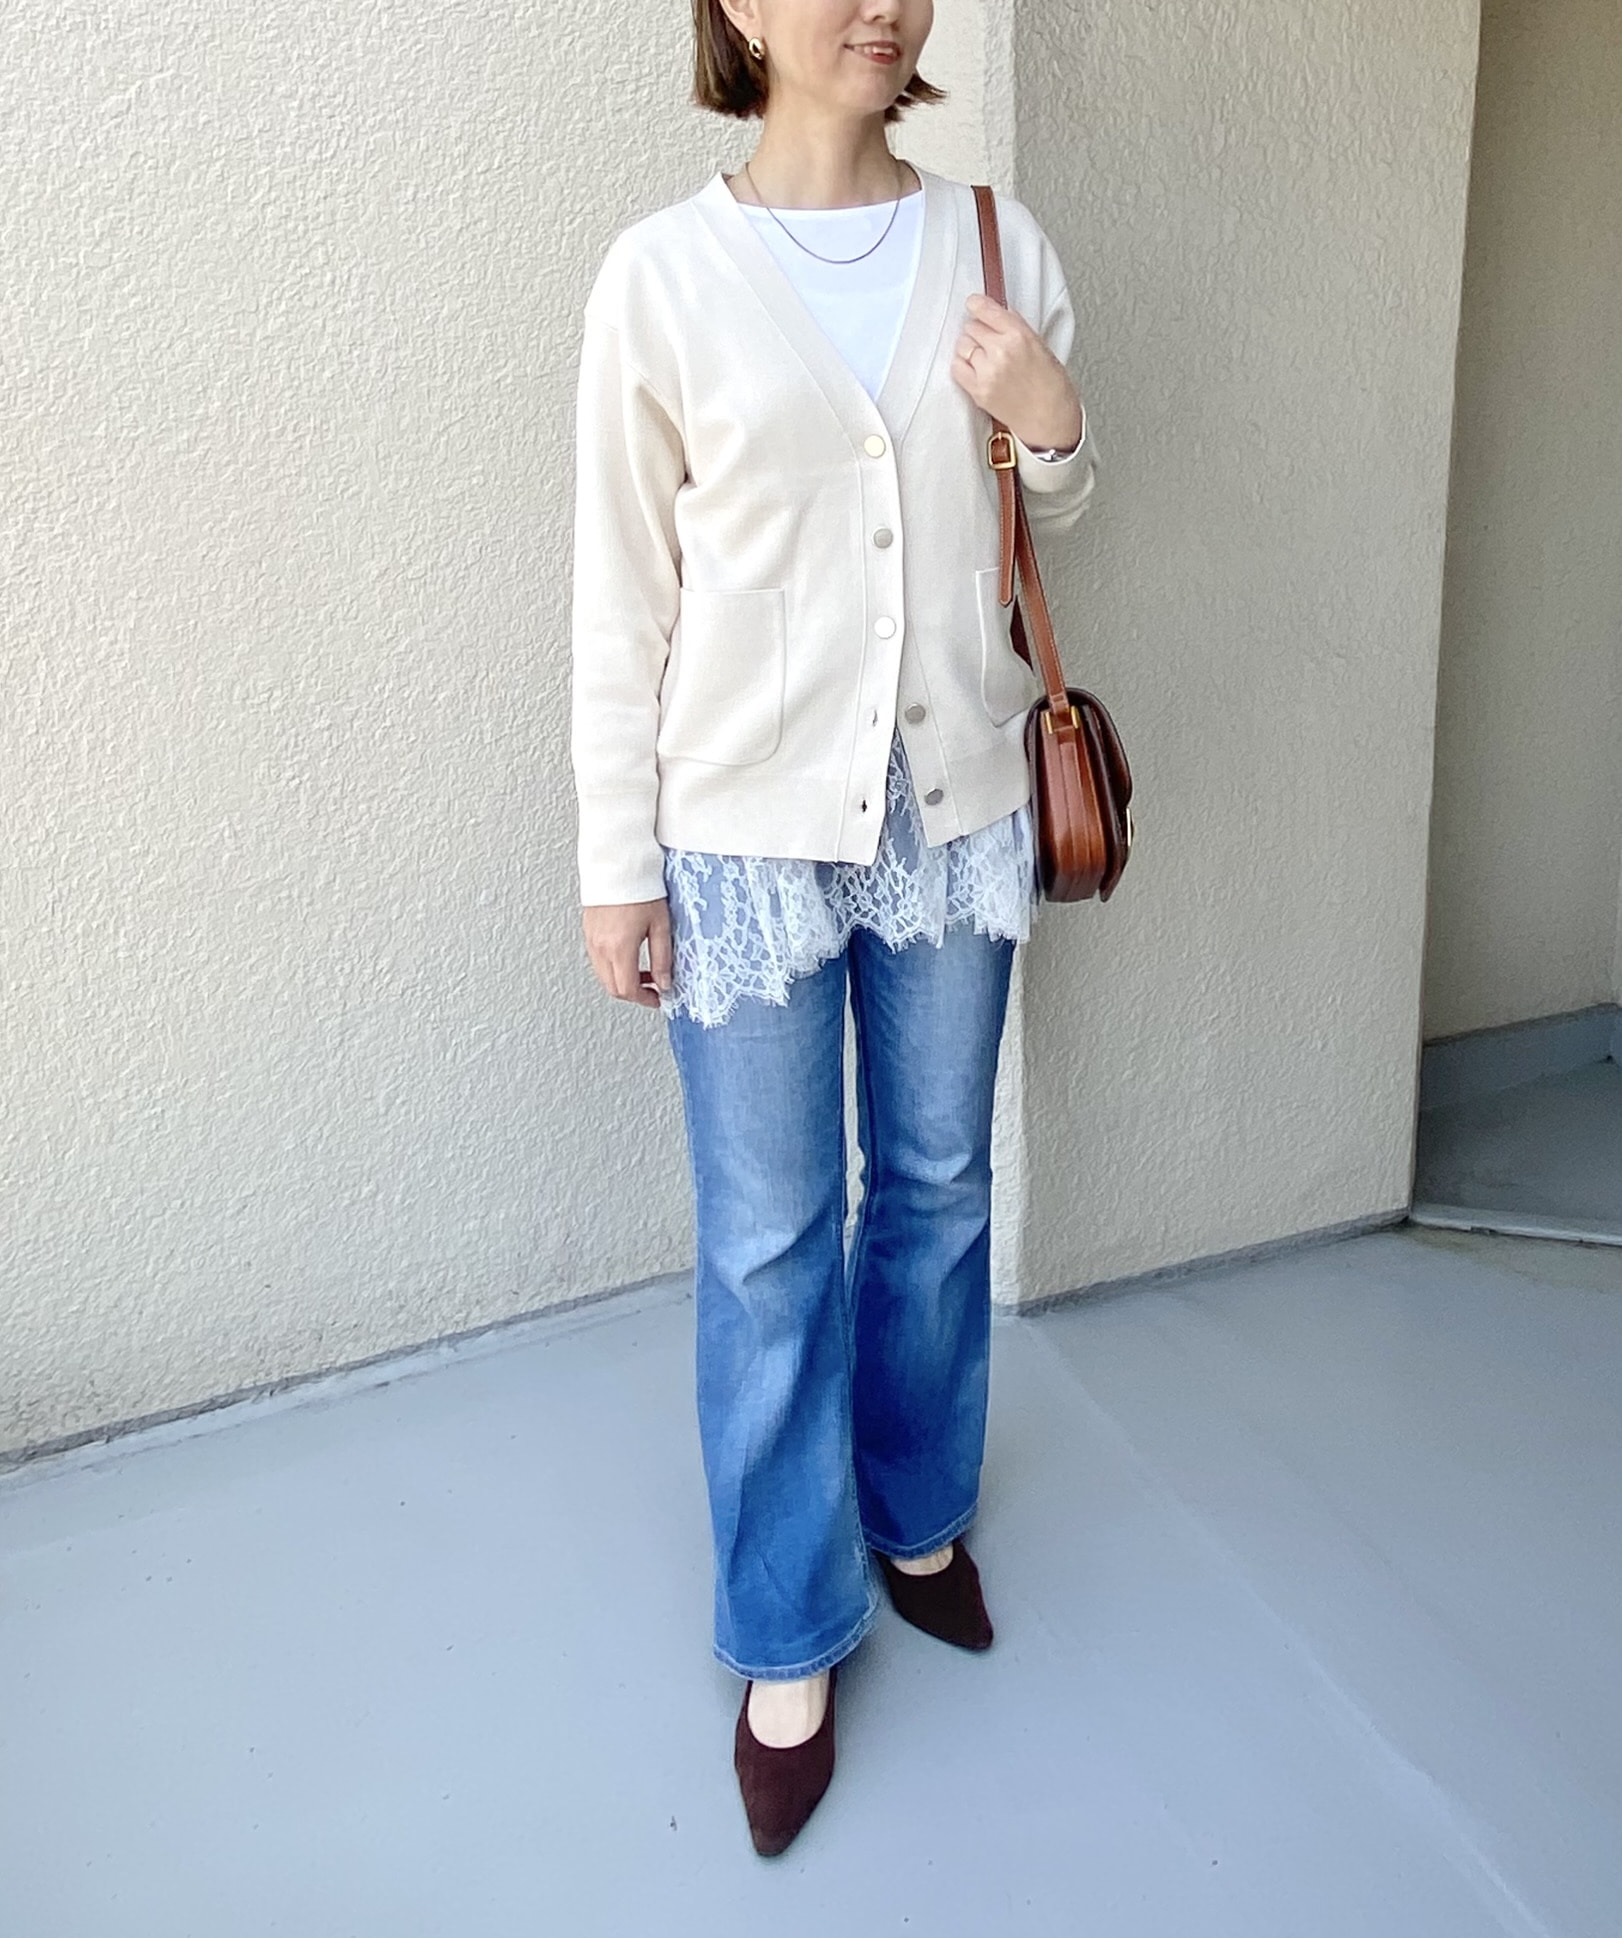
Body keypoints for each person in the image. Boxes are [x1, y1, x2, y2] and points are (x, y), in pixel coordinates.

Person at [569, 0, 1099, 1857]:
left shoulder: (995, 241)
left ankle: (916, 1512)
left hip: (953, 811)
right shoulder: (660, 276)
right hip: (740, 838)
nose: (879, 2)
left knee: (938, 1183)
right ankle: (786, 1628)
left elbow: (1046, 514)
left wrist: (1053, 426)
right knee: (768, 1239)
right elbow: (619, 594)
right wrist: (615, 860)